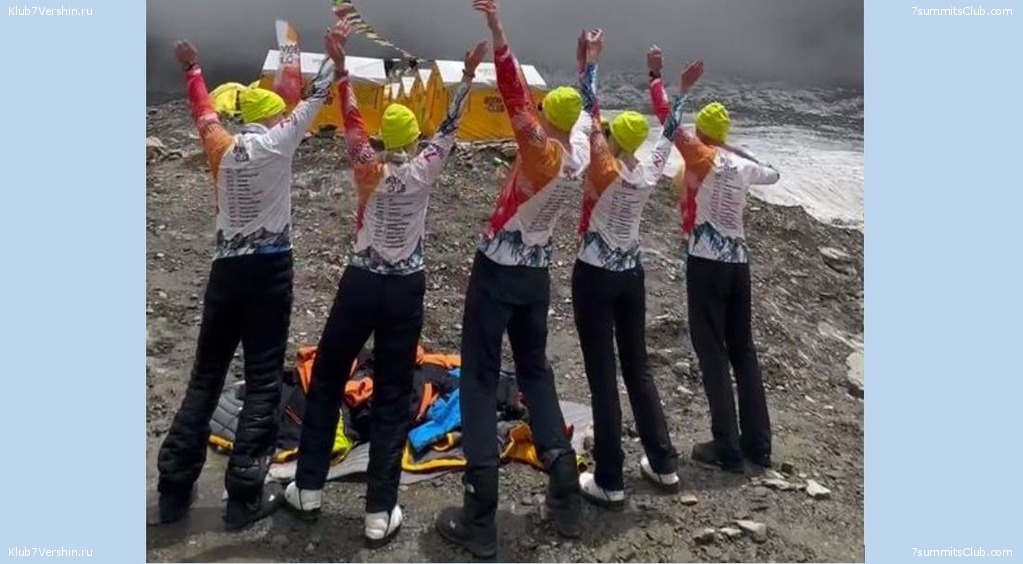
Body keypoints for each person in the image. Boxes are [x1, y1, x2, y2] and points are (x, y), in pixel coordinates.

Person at [281, 20, 488, 548]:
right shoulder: (424, 169)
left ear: (381, 140)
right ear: (413, 139)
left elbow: (350, 117)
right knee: (395, 393)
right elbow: (450, 128)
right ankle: (379, 509)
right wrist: (466, 77)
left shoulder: (365, 165)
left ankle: (308, 489)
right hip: (404, 288)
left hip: (360, 281)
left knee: (329, 376)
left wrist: (341, 66)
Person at [152, 26, 342, 530]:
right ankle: (243, 496)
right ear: (272, 117)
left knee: (205, 376)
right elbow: (316, 98)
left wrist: (192, 68)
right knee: (262, 380)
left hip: (226, 271)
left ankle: (173, 489)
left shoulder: (221, 146)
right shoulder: (280, 143)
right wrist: (334, 55)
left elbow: (203, 111)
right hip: (270, 273)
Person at [433, 1, 599, 558]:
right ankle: (565, 488)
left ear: (548, 117)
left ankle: (480, 514)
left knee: (480, 378)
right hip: (537, 274)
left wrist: (498, 31)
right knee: (535, 371)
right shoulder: (578, 151)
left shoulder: (541, 150)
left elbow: (513, 93)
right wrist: (587, 67)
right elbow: (587, 111)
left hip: (498, 268)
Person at [572, 57, 706, 510]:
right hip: (632, 276)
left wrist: (590, 63)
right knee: (638, 368)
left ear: (613, 140)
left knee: (602, 376)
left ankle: (610, 479)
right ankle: (663, 462)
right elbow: (669, 130)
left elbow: (590, 111)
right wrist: (675, 87)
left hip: (594, 273)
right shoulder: (649, 171)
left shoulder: (602, 167)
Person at [647, 47, 781, 473]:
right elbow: (774, 172)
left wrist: (661, 79)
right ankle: (759, 445)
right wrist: (733, 147)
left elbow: (667, 118)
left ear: (701, 132)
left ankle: (726, 446)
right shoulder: (741, 166)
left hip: (706, 262)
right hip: (739, 263)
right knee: (744, 350)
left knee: (712, 352)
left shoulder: (699, 154)